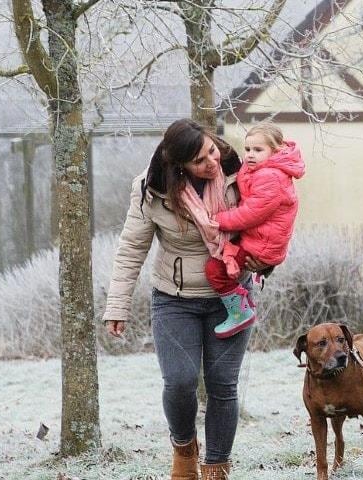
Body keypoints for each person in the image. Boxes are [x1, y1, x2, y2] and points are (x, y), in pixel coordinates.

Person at [102, 119, 254, 480]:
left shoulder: (241, 174)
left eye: (212, 150)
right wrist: (117, 305)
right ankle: (184, 447)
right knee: (180, 381)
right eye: (200, 160)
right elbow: (131, 248)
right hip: (175, 299)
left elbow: (272, 219)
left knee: (222, 385)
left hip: (231, 297)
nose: (212, 162)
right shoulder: (150, 189)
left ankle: (217, 466)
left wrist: (266, 258)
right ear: (178, 163)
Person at [205, 123, 304, 338]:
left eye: (258, 150)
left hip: (262, 246)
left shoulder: (271, 177)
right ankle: (242, 302)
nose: (250, 155)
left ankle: (239, 311)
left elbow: (251, 214)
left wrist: (217, 220)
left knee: (215, 270)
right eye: (247, 149)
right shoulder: (260, 170)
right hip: (259, 240)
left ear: (276, 151)